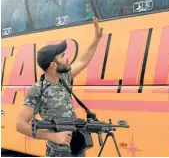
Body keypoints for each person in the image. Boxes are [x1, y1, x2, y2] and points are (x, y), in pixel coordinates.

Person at [16, 16, 103, 157]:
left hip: (76, 151)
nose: (67, 57)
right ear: (53, 64)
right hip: (57, 153)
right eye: (62, 56)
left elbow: (83, 60)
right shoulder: (37, 90)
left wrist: (96, 39)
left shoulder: (65, 78)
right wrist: (53, 137)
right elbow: (21, 125)